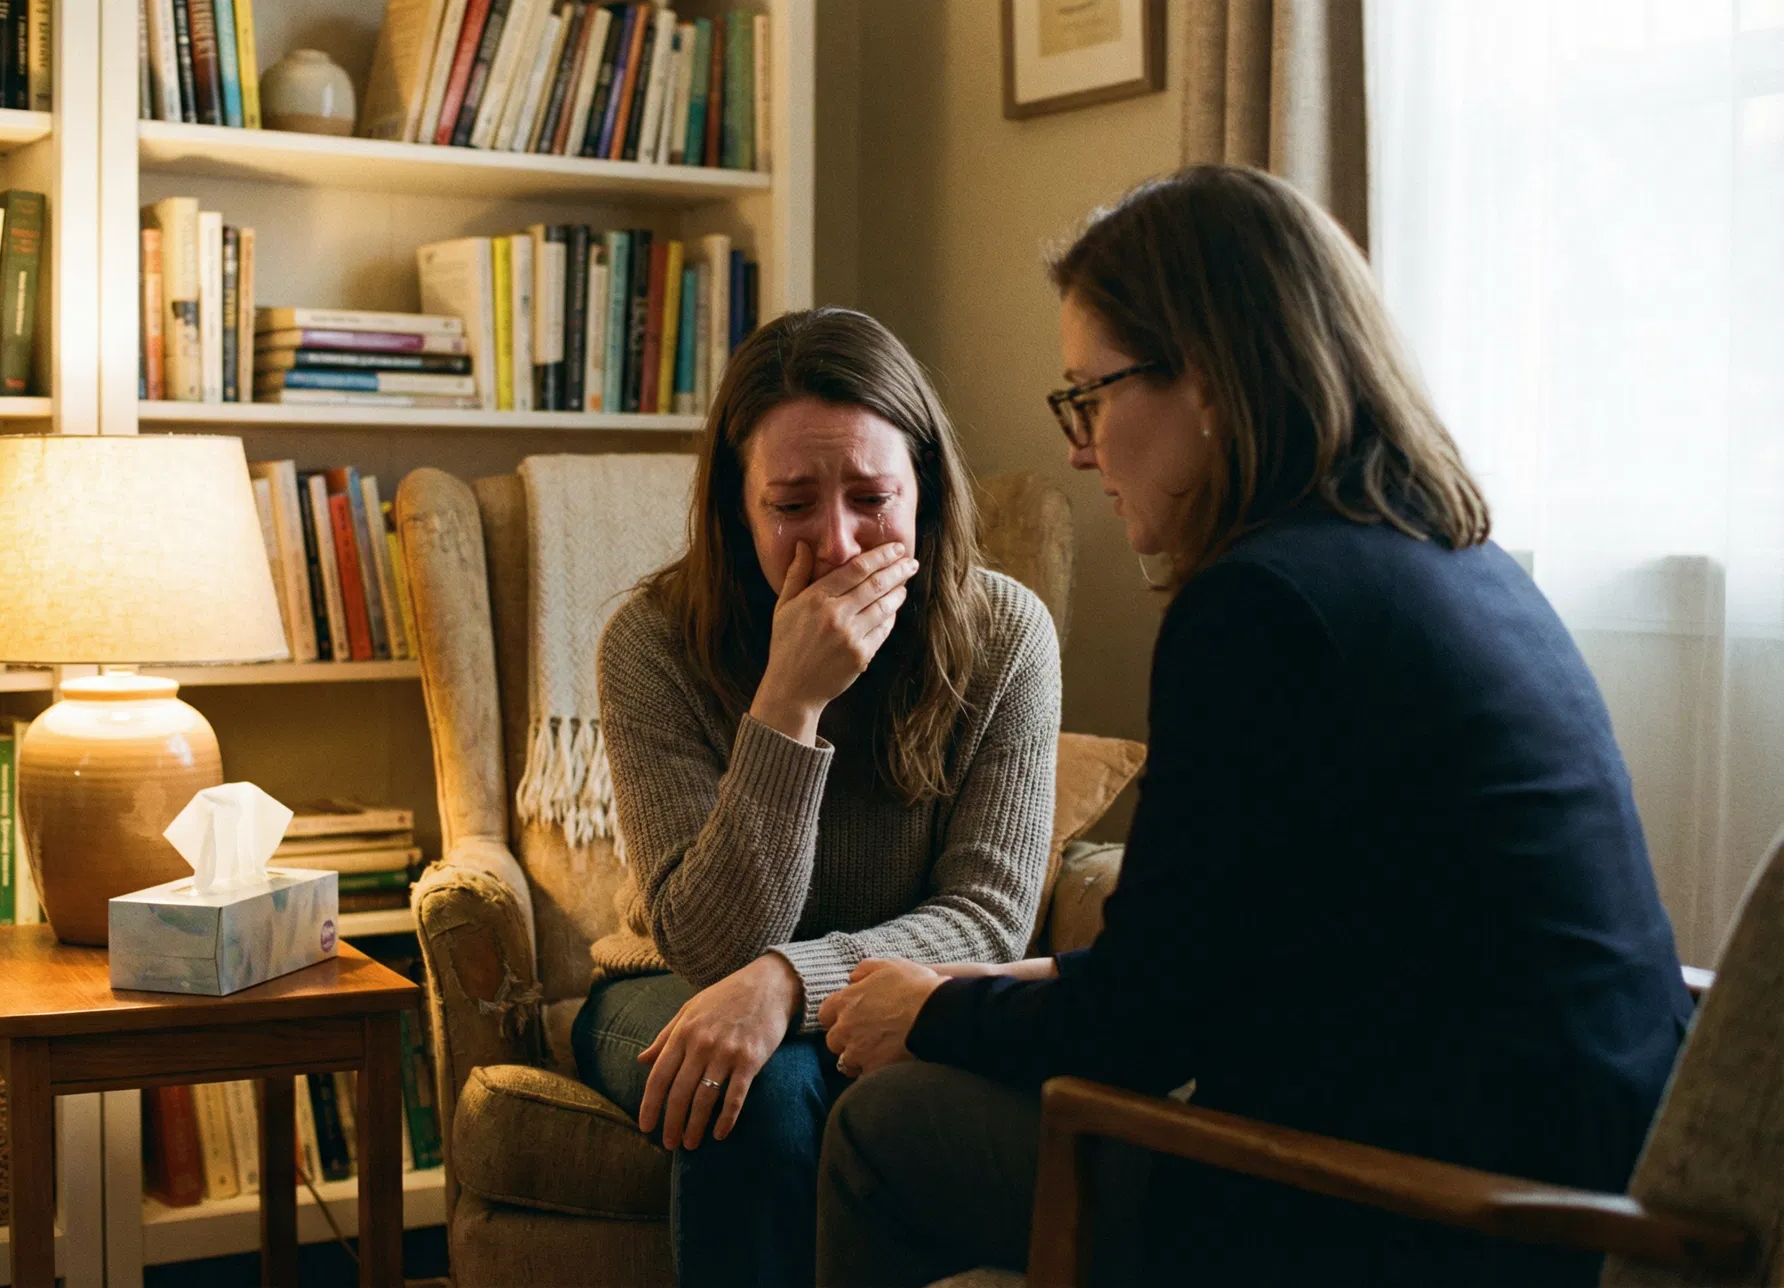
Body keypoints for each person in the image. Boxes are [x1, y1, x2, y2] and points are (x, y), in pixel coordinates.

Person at [814, 165, 1694, 1288]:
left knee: (885, 1127)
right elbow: (1227, 952)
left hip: (1421, 1218)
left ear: (1210, 380)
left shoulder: (1261, 606)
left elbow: (1142, 1032)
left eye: (1090, 395)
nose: (1078, 447)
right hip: (1589, 1194)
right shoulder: (1455, 563)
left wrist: (935, 1020)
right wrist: (977, 991)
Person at [571, 306, 1063, 1287]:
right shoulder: (652, 643)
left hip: (897, 993)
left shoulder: (1007, 635)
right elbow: (710, 945)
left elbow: (989, 919)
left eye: (872, 497)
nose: (836, 544)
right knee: (751, 1087)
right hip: (669, 983)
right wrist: (789, 704)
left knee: (804, 1073)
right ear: (738, 510)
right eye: (792, 505)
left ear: (924, 488)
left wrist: (791, 981)